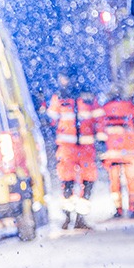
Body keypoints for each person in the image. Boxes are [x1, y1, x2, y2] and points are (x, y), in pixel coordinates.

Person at [44, 78, 99, 230]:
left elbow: (51, 119)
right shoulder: (88, 97)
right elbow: (97, 120)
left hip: (70, 148)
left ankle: (71, 218)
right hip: (82, 148)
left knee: (70, 182)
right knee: (84, 182)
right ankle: (76, 219)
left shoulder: (59, 98)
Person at [98, 90, 134, 218]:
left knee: (114, 182)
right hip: (129, 151)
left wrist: (102, 151)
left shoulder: (105, 109)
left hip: (112, 152)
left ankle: (118, 209)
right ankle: (133, 208)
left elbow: (100, 131)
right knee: (131, 181)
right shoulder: (130, 107)